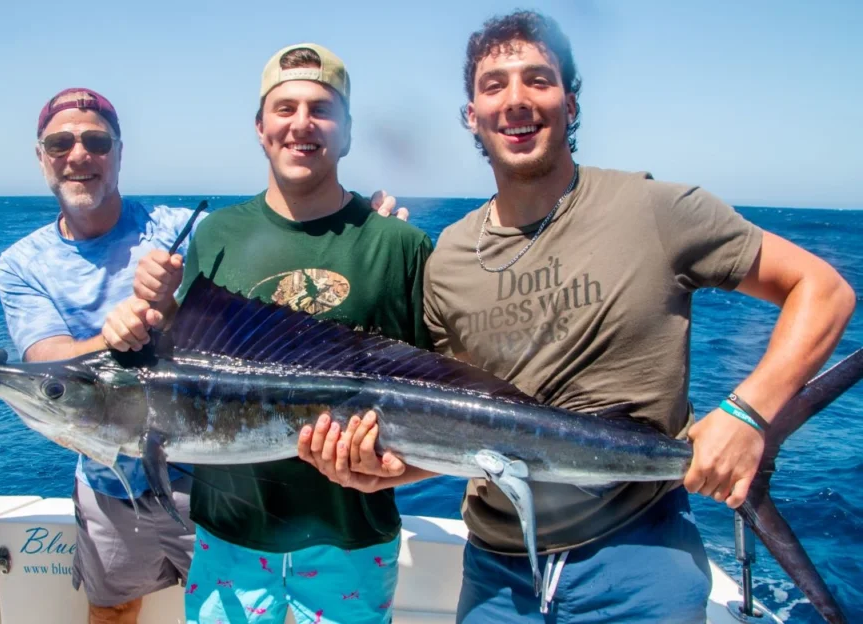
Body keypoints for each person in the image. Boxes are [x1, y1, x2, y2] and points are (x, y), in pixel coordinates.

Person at [416, 10, 856, 623]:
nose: (516, 99)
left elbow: (823, 289)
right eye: (495, 85)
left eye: (538, 80)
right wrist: (370, 470)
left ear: (570, 103)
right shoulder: (448, 257)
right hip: (496, 572)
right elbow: (453, 421)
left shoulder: (656, 209)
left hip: (641, 559)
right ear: (472, 114)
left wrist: (747, 415)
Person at [131, 43, 433, 624]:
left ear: (347, 132)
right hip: (231, 534)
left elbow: (441, 388)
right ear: (260, 127)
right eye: (285, 108)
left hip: (353, 536)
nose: (302, 124)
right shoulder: (216, 234)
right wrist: (158, 311)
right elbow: (184, 364)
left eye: (321, 109)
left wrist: (405, 468)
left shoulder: (400, 244)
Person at [0, 88, 205, 624]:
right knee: (112, 611)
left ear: (119, 153)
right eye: (60, 143)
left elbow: (269, 270)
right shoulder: (22, 264)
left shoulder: (186, 231)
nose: (79, 155)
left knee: (230, 610)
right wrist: (113, 337)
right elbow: (48, 362)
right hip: (109, 485)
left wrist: (353, 218)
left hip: (211, 477)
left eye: (96, 141)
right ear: (41, 156)